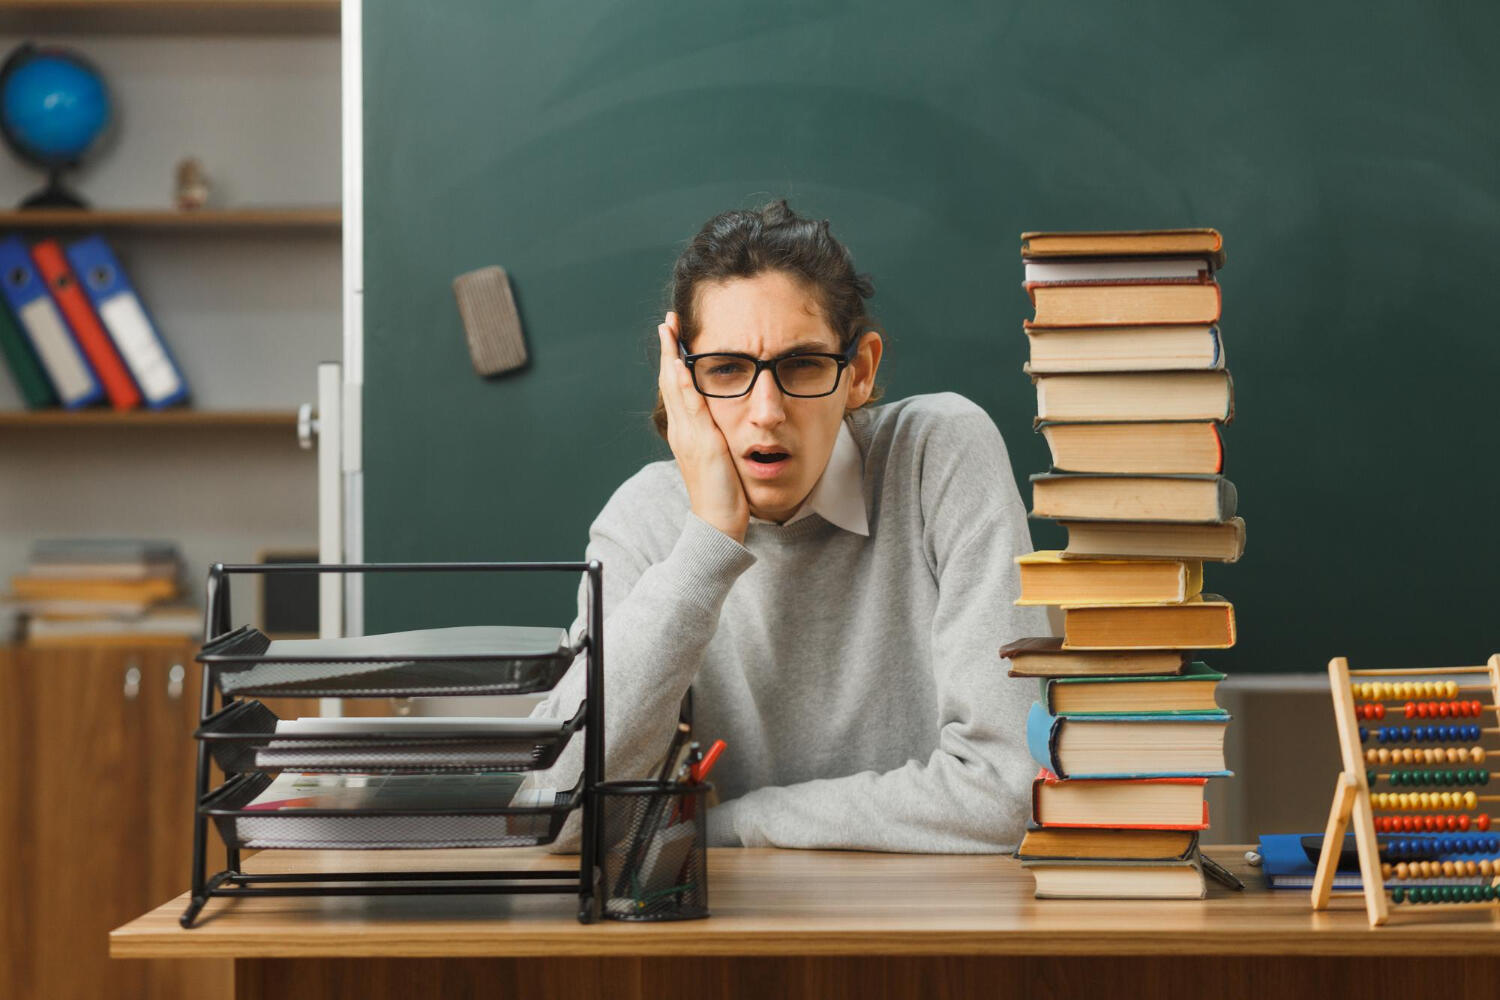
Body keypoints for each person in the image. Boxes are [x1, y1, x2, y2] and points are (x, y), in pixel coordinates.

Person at [534, 201, 1049, 851]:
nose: (767, 411)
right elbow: (554, 813)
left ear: (857, 373)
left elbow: (1010, 790)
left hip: (935, 925)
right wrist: (710, 540)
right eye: (726, 370)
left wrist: (734, 825)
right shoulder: (643, 522)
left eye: (802, 365)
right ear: (681, 382)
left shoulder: (938, 454)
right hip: (728, 935)